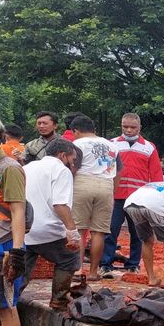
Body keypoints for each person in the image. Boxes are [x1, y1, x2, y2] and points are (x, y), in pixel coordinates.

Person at [99, 113, 163, 278]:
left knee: (138, 233)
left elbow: (156, 175)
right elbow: (103, 169)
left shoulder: (149, 147)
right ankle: (105, 264)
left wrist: (156, 198)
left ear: (140, 127)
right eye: (125, 126)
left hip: (139, 199)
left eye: (132, 127)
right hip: (115, 196)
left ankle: (133, 265)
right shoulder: (111, 144)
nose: (128, 130)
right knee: (110, 230)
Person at [23, 139, 82, 310]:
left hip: (24, 229)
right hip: (46, 230)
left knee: (21, 269)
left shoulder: (28, 167)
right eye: (73, 158)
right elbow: (60, 205)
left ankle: (7, 304)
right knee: (69, 258)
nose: (73, 163)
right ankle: (59, 300)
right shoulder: (61, 170)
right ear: (63, 155)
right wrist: (72, 230)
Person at [0, 118, 28, 326]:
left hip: (2, 246)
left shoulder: (9, 169)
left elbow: (18, 211)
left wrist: (17, 251)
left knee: (6, 306)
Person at [69, 116, 118, 280]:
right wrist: (112, 189)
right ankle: (93, 272)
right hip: (106, 184)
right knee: (99, 232)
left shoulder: (76, 144)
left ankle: (77, 270)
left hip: (82, 182)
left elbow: (73, 167)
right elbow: (117, 171)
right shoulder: (111, 144)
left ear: (75, 130)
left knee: (79, 230)